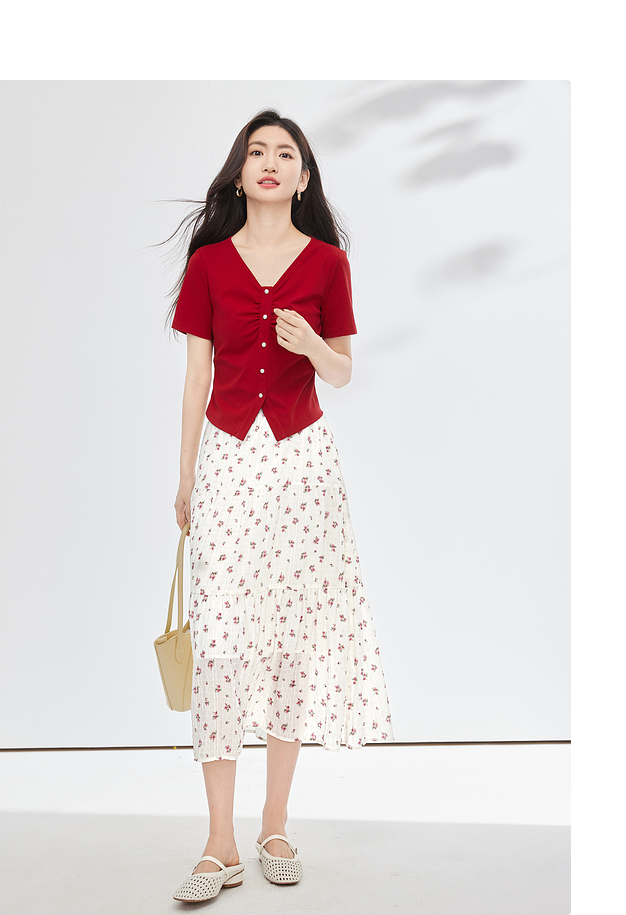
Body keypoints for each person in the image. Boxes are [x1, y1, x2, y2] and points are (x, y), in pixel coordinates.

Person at [165, 109, 394, 903]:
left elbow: (344, 371)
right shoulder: (208, 265)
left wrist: (312, 346)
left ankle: (274, 823)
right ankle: (218, 841)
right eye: (256, 151)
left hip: (303, 464)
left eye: (285, 153)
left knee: (292, 637)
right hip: (229, 459)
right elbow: (196, 378)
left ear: (303, 177)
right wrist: (186, 477)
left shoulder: (328, 263)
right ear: (239, 173)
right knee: (220, 644)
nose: (269, 162)